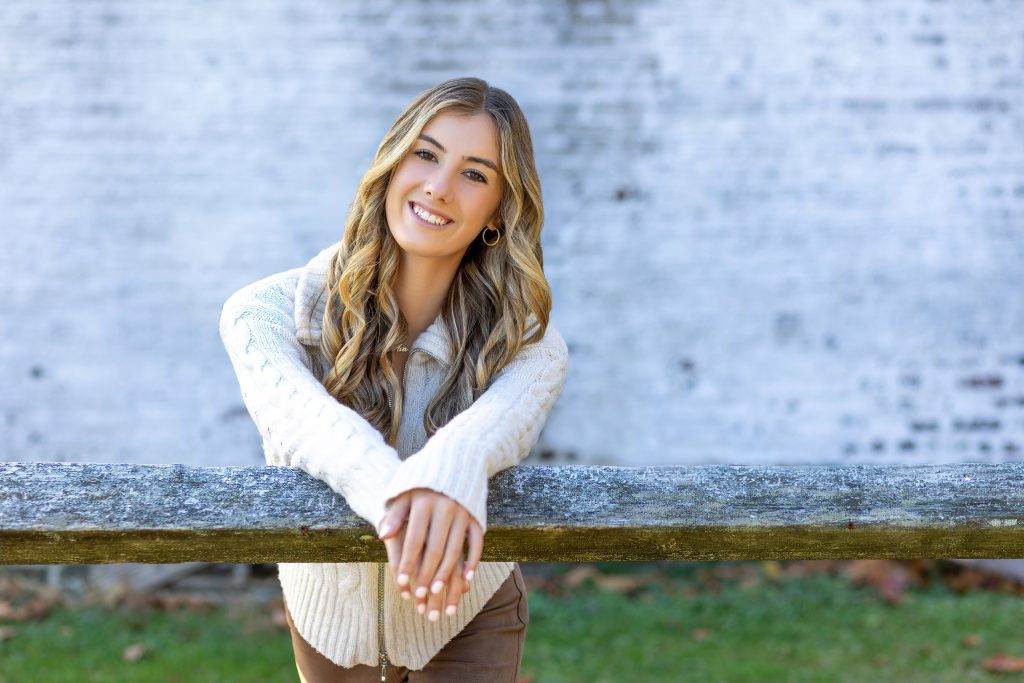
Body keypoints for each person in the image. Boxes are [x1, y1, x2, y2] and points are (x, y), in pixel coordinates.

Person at [218, 76, 569, 682]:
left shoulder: (529, 345)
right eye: (426, 155)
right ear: (392, 163)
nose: (438, 186)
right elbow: (307, 425)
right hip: (329, 622)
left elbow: (490, 432)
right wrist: (400, 499)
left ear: (497, 213)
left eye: (475, 174)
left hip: (468, 615)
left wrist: (451, 464)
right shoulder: (266, 315)